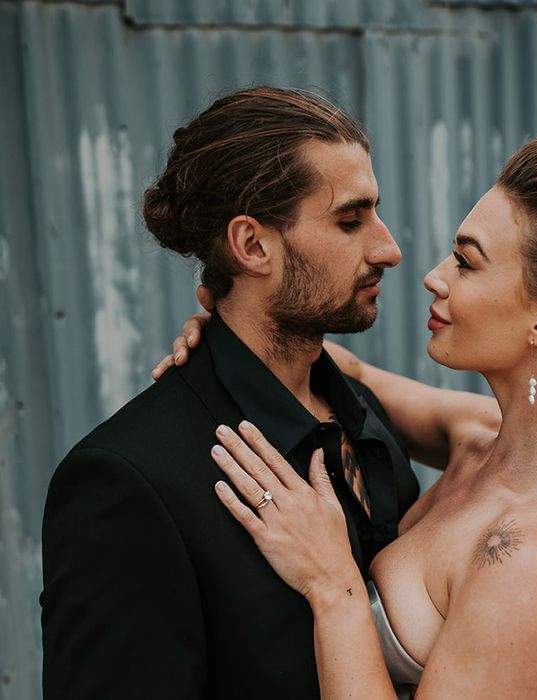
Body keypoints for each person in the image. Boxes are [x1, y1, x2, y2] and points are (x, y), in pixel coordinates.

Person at [163, 134, 537, 699]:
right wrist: (229, 329)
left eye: (466, 262)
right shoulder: (479, 438)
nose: (434, 275)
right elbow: (343, 373)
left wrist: (334, 587)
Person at [40, 86, 423, 699]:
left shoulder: (363, 416)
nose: (388, 248)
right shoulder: (130, 480)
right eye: (350, 220)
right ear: (251, 246)